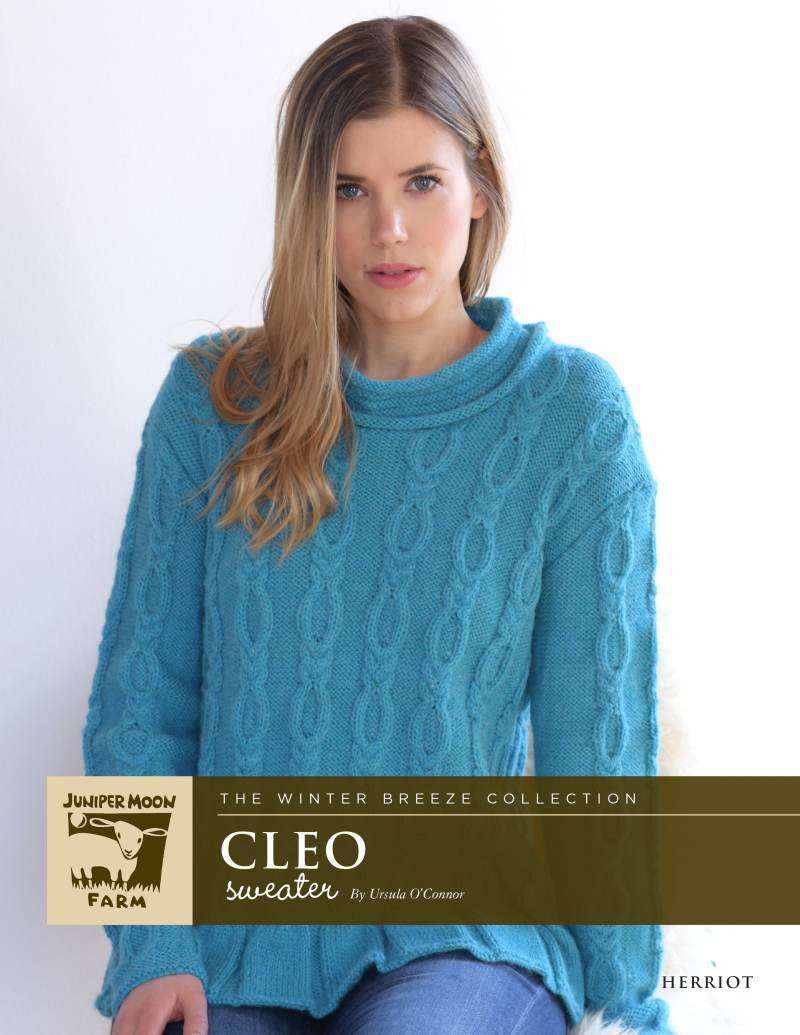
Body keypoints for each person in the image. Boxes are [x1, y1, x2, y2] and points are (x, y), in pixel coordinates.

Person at [82, 14, 674, 1035]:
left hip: (471, 941)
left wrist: (628, 1003)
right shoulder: (212, 402)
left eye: (421, 182)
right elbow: (139, 709)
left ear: (480, 185)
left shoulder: (571, 417)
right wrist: (149, 947)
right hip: (233, 938)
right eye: (346, 189)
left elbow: (597, 751)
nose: (387, 229)